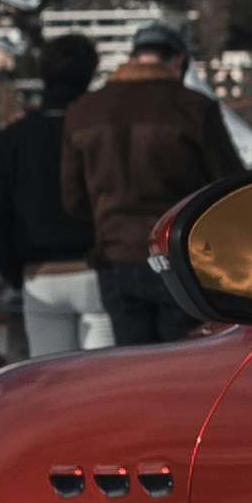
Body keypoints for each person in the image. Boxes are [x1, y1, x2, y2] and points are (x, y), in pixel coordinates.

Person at [64, 22, 235, 349]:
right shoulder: (195, 107)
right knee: (182, 367)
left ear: (131, 57)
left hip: (115, 255)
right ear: (178, 60)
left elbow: (73, 199)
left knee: (133, 368)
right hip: (180, 256)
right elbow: (227, 185)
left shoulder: (83, 111)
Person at [0, 34, 103, 358]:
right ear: (90, 75)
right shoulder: (103, 131)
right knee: (106, 391)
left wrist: (13, 271)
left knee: (55, 389)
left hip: (40, 275)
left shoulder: (14, 138)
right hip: (98, 271)